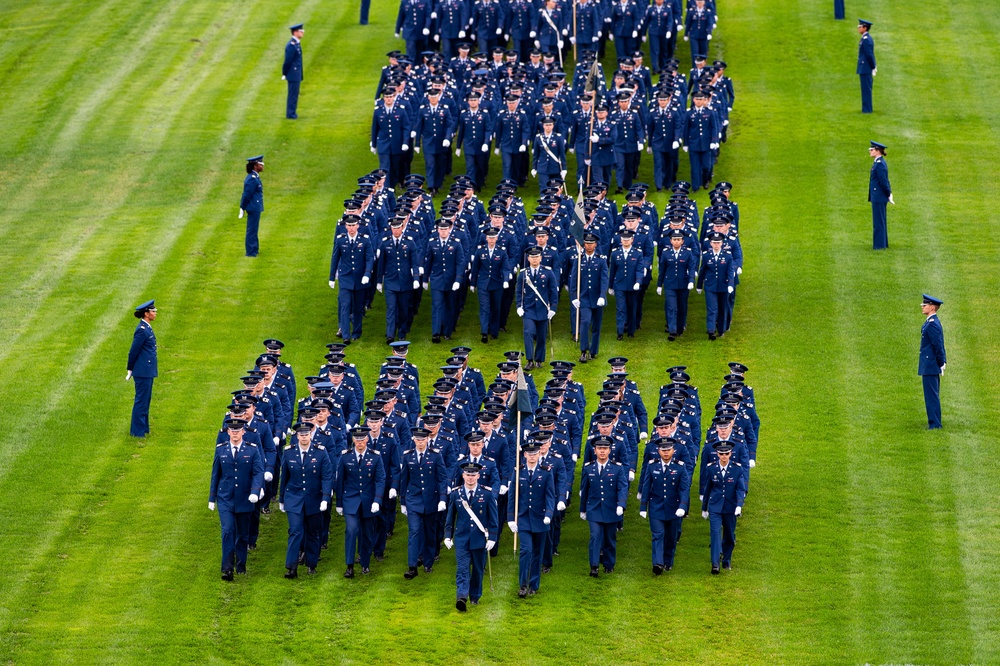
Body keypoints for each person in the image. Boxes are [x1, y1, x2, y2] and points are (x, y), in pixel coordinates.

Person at [209, 419, 265, 580]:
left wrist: (255, 491)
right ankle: (227, 568)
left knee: (242, 534)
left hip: (245, 498)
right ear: (228, 432)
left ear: (243, 432)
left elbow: (258, 472)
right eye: (232, 430)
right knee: (227, 531)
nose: (234, 433)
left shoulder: (252, 450)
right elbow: (216, 474)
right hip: (225, 498)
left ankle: (241, 564)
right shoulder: (221, 450)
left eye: (237, 430)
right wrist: (212, 498)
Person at [279, 422, 334, 578]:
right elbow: (285, 477)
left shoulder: (321, 453)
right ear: (297, 436)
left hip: (314, 498)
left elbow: (327, 476)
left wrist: (325, 498)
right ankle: (291, 567)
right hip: (294, 498)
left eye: (306, 434)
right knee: (295, 531)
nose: (304, 437)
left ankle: (311, 563)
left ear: (311, 434)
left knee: (313, 532)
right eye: (301, 435)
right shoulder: (289, 452)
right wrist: (282, 498)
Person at [444, 462, 499, 611]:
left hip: (479, 538)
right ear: (463, 475)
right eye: (468, 475)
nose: (470, 478)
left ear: (478, 476)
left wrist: (493, 538)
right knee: (462, 568)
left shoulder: (486, 494)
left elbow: (494, 518)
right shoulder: (456, 494)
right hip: (461, 538)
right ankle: (461, 597)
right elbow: (450, 516)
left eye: (473, 475)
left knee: (478, 570)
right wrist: (448, 535)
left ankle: (475, 596)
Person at [336, 427, 387, 578]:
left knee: (367, 533)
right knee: (351, 530)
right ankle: (349, 565)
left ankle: (365, 563)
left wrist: (377, 500)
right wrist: (339, 503)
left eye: (362, 439)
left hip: (369, 501)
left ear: (367, 440)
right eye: (357, 439)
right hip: (350, 500)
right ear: (353, 440)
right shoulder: (345, 457)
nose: (359, 442)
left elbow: (380, 479)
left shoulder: (375, 457)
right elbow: (340, 481)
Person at [399, 427, 449, 578]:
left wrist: (442, 499)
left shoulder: (435, 456)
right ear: (413, 440)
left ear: (427, 439)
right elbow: (404, 479)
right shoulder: (408, 456)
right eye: (417, 440)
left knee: (429, 532)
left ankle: (428, 562)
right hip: (413, 499)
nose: (420, 443)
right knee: (414, 531)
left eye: (423, 439)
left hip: (431, 499)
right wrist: (402, 501)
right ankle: (412, 566)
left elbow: (441, 478)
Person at [507, 442, 555, 597]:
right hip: (524, 519)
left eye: (535, 453)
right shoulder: (518, 472)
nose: (532, 456)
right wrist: (510, 518)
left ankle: (534, 584)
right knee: (526, 550)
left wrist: (548, 514)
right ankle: (522, 585)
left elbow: (550, 496)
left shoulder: (546, 472)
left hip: (541, 519)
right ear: (525, 455)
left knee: (537, 554)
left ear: (539, 454)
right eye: (529, 453)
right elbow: (512, 497)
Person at [638, 439, 690, 574]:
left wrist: (683, 506)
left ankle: (668, 561)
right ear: (658, 451)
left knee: (671, 537)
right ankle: (658, 563)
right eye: (663, 450)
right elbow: (646, 486)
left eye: (668, 450)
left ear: (673, 451)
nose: (666, 453)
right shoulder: (652, 466)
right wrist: (643, 506)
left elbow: (684, 489)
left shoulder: (680, 467)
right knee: (658, 535)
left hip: (674, 507)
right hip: (656, 507)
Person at [579, 436, 628, 576]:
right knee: (595, 536)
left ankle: (609, 564)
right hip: (594, 509)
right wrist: (582, 509)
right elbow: (585, 490)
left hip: (611, 509)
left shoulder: (617, 469)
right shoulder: (589, 468)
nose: (602, 451)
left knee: (609, 538)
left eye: (605, 449)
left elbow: (622, 488)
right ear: (594, 451)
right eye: (599, 448)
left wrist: (621, 505)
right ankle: (594, 566)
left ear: (609, 450)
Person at [701, 441, 746, 574]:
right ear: (717, 454)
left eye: (727, 453)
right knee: (715, 534)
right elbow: (707, 488)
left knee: (729, 536)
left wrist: (739, 505)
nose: (724, 456)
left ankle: (726, 560)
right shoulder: (711, 468)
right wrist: (704, 508)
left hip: (730, 507)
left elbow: (740, 488)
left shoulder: (737, 469)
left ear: (731, 453)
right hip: (715, 506)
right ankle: (715, 564)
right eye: (721, 453)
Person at [329, 216, 375, 343]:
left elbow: (370, 258)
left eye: (353, 225)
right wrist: (332, 277)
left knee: (358, 307)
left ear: (358, 226)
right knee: (345, 305)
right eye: (349, 225)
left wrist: (367, 274)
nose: (351, 228)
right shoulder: (340, 240)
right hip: (345, 278)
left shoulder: (365, 240)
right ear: (345, 227)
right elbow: (335, 258)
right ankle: (345, 335)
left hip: (360, 279)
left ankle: (356, 332)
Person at [377, 219, 422, 344]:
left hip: (405, 281)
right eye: (394, 228)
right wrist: (379, 281)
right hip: (391, 281)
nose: (396, 231)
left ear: (402, 228)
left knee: (404, 309)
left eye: (398, 228)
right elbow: (381, 264)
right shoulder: (385, 243)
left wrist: (416, 278)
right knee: (391, 308)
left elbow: (414, 262)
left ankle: (402, 332)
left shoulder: (410, 242)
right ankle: (390, 334)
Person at [516, 247, 559, 370]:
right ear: (528, 258)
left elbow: (553, 292)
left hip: (543, 309)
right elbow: (519, 292)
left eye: (537, 257)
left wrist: (553, 308)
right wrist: (519, 306)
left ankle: (539, 359)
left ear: (541, 258)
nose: (534, 259)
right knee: (528, 332)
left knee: (541, 335)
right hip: (528, 310)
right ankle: (529, 359)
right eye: (532, 257)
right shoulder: (523, 274)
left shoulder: (548, 272)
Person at [568, 233, 609, 363]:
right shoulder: (579, 259)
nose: (589, 246)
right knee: (585, 322)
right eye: (586, 243)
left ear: (595, 244)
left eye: (591, 243)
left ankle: (594, 351)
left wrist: (603, 295)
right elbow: (573, 280)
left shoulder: (601, 260)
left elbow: (604, 279)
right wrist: (574, 296)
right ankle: (583, 351)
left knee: (596, 326)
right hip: (584, 298)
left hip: (597, 298)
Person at [470, 227, 513, 343]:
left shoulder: (502, 251)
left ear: (497, 238)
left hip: (497, 283)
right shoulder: (480, 251)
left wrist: (505, 280)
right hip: (483, 283)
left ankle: (494, 331)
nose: (491, 240)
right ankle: (484, 332)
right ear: (486, 238)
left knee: (495, 308)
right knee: (484, 308)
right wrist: (472, 283)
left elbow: (505, 267)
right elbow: (475, 268)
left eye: (493, 237)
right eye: (490, 237)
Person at [657, 229, 697, 340]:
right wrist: (659, 285)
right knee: (671, 307)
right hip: (670, 284)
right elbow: (662, 270)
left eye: (678, 240)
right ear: (670, 241)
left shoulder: (687, 253)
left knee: (682, 307)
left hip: (683, 285)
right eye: (674, 239)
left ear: (682, 241)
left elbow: (691, 268)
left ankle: (680, 328)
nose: (676, 242)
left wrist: (691, 281)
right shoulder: (665, 253)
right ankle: (672, 330)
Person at [126, 300, 158, 437]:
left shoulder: (147, 328)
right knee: (141, 401)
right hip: (143, 371)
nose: (155, 313)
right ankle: (137, 431)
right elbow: (133, 351)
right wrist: (130, 368)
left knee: (146, 400)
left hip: (147, 370)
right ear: (146, 313)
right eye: (153, 311)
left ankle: (143, 428)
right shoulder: (142, 330)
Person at [697, 232, 736, 339]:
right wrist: (699, 285)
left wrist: (730, 284)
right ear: (710, 243)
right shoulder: (706, 256)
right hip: (710, 286)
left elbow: (730, 271)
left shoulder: (727, 256)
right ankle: (711, 330)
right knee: (712, 309)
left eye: (718, 242)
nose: (716, 244)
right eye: (714, 242)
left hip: (723, 286)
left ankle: (721, 330)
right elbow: (702, 271)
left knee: (722, 309)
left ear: (722, 243)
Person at [919, 294, 947, 430]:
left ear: (932, 307)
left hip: (930, 365)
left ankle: (935, 424)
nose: (923, 307)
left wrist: (942, 362)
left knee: (931, 396)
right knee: (931, 395)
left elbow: (938, 345)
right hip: (929, 364)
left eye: (925, 305)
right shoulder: (930, 322)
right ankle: (934, 422)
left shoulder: (932, 324)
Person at [868, 140, 892, 250]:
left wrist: (889, 193)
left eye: (872, 150)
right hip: (879, 196)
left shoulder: (879, 164)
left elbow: (883, 181)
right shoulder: (878, 163)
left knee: (878, 222)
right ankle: (882, 243)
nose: (870, 151)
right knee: (880, 221)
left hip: (879, 196)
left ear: (878, 151)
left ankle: (879, 245)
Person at [239, 156, 264, 257]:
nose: (262, 166)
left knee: (254, 229)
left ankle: (254, 249)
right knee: (252, 230)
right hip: (253, 207)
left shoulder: (255, 177)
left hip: (255, 206)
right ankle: (251, 252)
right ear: (255, 166)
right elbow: (247, 194)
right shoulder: (252, 179)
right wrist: (242, 207)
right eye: (260, 164)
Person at [282, 24, 304, 120]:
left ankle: (292, 113)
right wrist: (285, 72)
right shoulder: (292, 45)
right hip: (293, 74)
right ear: (295, 32)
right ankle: (290, 114)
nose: (302, 32)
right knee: (293, 95)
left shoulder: (296, 44)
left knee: (295, 94)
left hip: (295, 73)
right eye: (300, 31)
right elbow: (288, 61)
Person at [857, 19, 876, 113]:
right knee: (866, 89)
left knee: (866, 90)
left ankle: (867, 110)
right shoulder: (866, 38)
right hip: (866, 67)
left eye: (860, 27)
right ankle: (866, 109)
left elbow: (869, 54)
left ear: (865, 28)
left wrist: (873, 66)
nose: (858, 28)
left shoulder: (866, 39)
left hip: (865, 68)